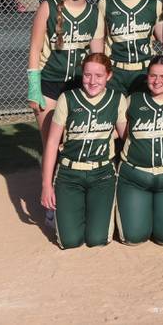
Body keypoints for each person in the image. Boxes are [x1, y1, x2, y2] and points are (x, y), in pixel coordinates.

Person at [39, 53, 127, 248]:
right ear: (82, 74)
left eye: (99, 75)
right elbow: (52, 143)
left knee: (97, 240)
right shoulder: (68, 98)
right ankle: (67, 214)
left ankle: (90, 213)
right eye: (87, 75)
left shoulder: (117, 99)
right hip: (69, 174)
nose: (92, 81)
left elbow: (125, 135)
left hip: (102, 174)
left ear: (109, 76)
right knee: (70, 241)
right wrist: (46, 185)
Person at [117, 55, 163, 245]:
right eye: (153, 76)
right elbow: (120, 133)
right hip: (135, 176)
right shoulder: (132, 100)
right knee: (134, 237)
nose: (157, 81)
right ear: (147, 77)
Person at [27, 0, 99, 147]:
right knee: (51, 143)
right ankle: (47, 178)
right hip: (49, 84)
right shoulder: (48, 7)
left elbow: (97, 56)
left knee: (74, 143)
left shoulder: (94, 13)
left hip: (78, 85)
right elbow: (35, 49)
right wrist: (34, 89)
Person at [93, 0, 163, 94]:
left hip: (144, 70)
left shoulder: (154, 4)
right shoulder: (105, 4)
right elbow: (98, 40)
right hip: (115, 71)